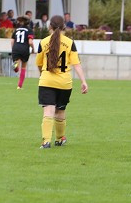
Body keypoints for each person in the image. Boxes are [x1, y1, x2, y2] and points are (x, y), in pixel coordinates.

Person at [34, 14, 89, 148]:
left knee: (48, 111)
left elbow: (39, 63)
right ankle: (59, 139)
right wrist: (83, 81)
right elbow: (76, 64)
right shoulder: (70, 43)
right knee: (60, 111)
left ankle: (46, 141)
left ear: (50, 26)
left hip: (47, 81)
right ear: (64, 26)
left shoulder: (43, 42)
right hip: (64, 83)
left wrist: (43, 74)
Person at [11, 16, 35, 90]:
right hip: (24, 49)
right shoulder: (29, 30)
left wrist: (13, 49)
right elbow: (30, 42)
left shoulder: (16, 30)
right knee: (23, 67)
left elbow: (12, 41)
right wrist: (33, 49)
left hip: (16, 47)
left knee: (16, 62)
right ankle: (19, 86)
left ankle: (15, 65)